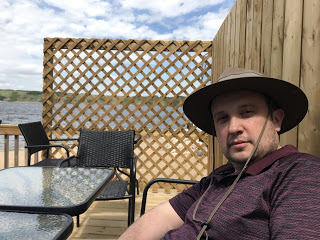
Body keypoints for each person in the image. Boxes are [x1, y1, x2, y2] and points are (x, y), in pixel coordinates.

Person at [119, 68, 320, 239]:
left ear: (276, 120)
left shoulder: (300, 174)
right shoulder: (219, 177)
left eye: (246, 112)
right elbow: (162, 216)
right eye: (222, 118)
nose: (233, 128)